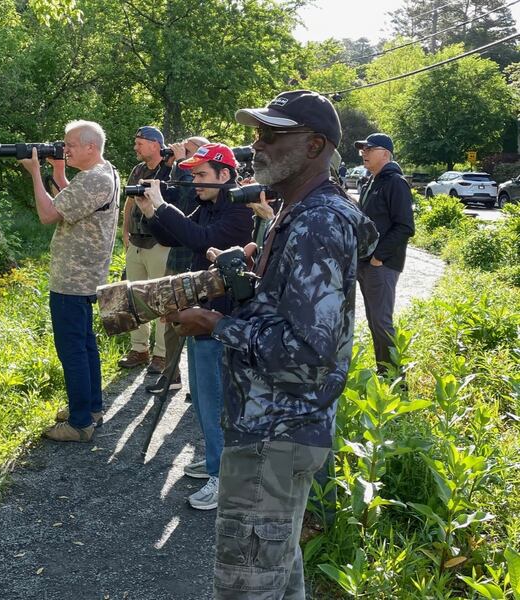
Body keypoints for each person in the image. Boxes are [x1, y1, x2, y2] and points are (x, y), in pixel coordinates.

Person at [164, 90, 379, 598]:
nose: (255, 146)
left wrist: (214, 326)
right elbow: (296, 315)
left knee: (249, 584)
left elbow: (308, 351)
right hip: (276, 429)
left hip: (274, 434)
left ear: (314, 146)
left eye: (271, 135)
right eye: (257, 133)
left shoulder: (317, 223)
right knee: (277, 576)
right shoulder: (296, 212)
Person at [134, 143, 253, 510]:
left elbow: (202, 240)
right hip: (200, 314)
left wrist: (163, 206)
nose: (195, 181)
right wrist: (152, 212)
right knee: (202, 398)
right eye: (193, 174)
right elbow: (177, 236)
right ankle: (216, 461)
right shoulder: (207, 205)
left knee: (216, 400)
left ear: (225, 175)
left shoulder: (238, 212)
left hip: (220, 319)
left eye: (202, 175)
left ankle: (224, 477)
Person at [20, 120, 119, 442]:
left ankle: (79, 424)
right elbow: (73, 202)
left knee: (72, 350)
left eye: (71, 145)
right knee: (85, 344)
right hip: (87, 275)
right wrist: (59, 172)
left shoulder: (93, 179)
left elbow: (49, 215)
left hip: (73, 279)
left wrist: (35, 172)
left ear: (91, 147)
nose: (65, 149)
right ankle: (90, 408)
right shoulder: (106, 173)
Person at [145, 135, 210, 395]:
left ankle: (201, 382)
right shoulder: (177, 172)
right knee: (171, 320)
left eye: (192, 152)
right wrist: (172, 163)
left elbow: (185, 204)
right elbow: (165, 195)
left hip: (198, 260)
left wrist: (183, 161)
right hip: (177, 257)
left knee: (201, 321)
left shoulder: (205, 186)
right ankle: (171, 373)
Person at [354, 133, 415, 374]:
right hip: (366, 263)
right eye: (362, 150)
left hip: (382, 265)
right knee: (374, 321)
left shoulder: (395, 182)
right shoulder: (372, 181)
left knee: (381, 323)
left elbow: (405, 227)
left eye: (369, 149)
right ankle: (384, 374)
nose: (364, 154)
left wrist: (379, 257)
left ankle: (395, 382)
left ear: (386, 154)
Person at [119, 126, 172, 375]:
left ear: (154, 144)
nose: (135, 147)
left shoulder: (170, 169)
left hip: (160, 243)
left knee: (161, 299)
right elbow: (130, 201)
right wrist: (125, 230)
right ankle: (139, 349)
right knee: (134, 297)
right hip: (136, 243)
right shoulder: (138, 170)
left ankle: (162, 354)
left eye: (139, 143)